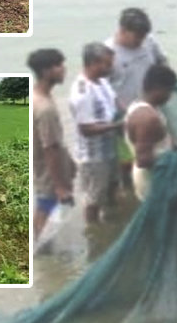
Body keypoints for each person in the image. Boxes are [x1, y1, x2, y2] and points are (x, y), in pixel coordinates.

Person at [105, 8, 168, 192]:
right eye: (136, 37)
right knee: (127, 160)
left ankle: (145, 189)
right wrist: (124, 110)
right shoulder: (108, 53)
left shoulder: (149, 42)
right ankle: (128, 189)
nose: (140, 41)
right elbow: (103, 87)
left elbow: (162, 62)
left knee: (152, 152)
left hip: (151, 108)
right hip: (125, 115)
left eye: (143, 36)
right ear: (123, 30)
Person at [71, 42, 123, 224]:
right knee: (93, 198)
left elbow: (115, 101)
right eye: (106, 64)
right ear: (93, 63)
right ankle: (92, 230)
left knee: (112, 186)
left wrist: (129, 112)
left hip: (109, 149)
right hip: (93, 158)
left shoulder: (102, 82)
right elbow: (85, 129)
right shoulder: (82, 91)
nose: (110, 68)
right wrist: (117, 126)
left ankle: (109, 220)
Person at [30, 48, 75, 237]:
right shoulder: (45, 108)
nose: (64, 69)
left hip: (42, 166)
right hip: (48, 170)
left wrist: (70, 163)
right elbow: (51, 148)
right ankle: (36, 247)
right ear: (46, 71)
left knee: (45, 207)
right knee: (45, 208)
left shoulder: (38, 97)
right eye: (58, 66)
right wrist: (60, 186)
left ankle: (39, 246)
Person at [125, 64, 177, 202]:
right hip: (152, 181)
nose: (170, 96)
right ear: (158, 88)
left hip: (153, 176)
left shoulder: (139, 106)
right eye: (168, 91)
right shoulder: (148, 118)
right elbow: (144, 160)